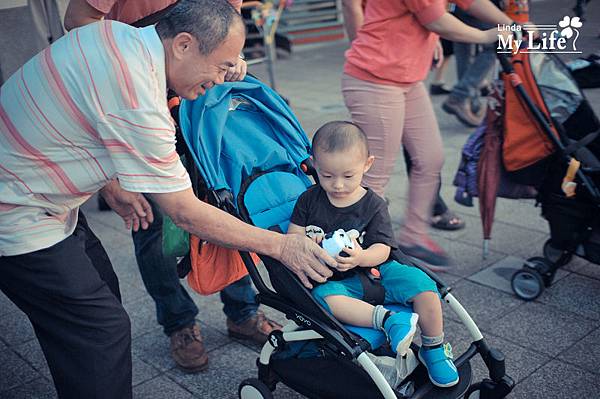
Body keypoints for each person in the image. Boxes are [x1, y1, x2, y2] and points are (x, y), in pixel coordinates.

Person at [0, 1, 336, 397]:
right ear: (183, 45)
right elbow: (184, 210)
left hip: (41, 193)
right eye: (221, 64)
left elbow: (77, 115)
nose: (224, 77)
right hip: (17, 210)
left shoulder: (118, 36)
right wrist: (281, 246)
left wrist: (108, 182)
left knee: (98, 298)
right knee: (99, 331)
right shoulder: (140, 96)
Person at [63, 0, 279, 375]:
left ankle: (243, 311)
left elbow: (227, 20)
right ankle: (179, 323)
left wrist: (230, 58)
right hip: (138, 92)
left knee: (228, 202)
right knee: (154, 222)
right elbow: (79, 22)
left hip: (204, 91)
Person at [340, 0, 513, 267]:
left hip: (407, 78)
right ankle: (350, 251)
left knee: (430, 158)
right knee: (375, 175)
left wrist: (510, 24)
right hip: (374, 79)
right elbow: (437, 20)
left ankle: (414, 240)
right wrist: (487, 35)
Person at [288, 121, 459, 388]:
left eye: (348, 175)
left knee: (425, 286)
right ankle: (389, 320)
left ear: (367, 165)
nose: (338, 185)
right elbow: (293, 237)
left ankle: (433, 348)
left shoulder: (373, 204)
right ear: (315, 166)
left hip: (377, 270)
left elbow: (383, 248)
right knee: (324, 299)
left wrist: (361, 257)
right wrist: (309, 243)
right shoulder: (309, 200)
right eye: (327, 175)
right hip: (336, 281)